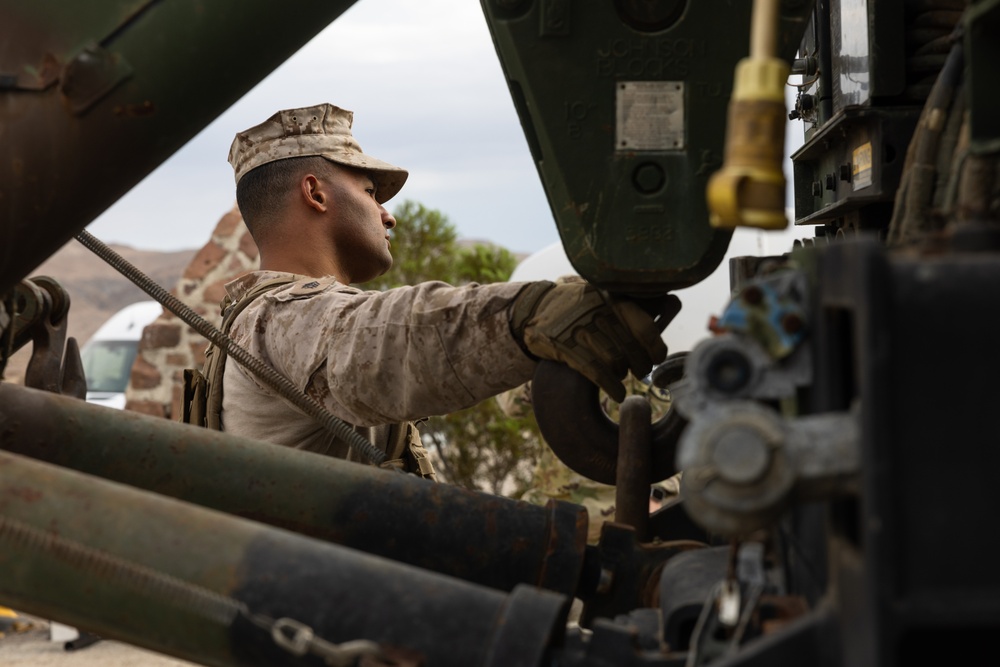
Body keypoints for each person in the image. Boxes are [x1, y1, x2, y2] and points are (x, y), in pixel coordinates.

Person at [218, 102, 675, 474]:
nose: (388, 215)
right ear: (316, 194)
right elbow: (385, 341)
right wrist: (534, 314)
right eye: (371, 193)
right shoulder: (279, 318)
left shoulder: (263, 323)